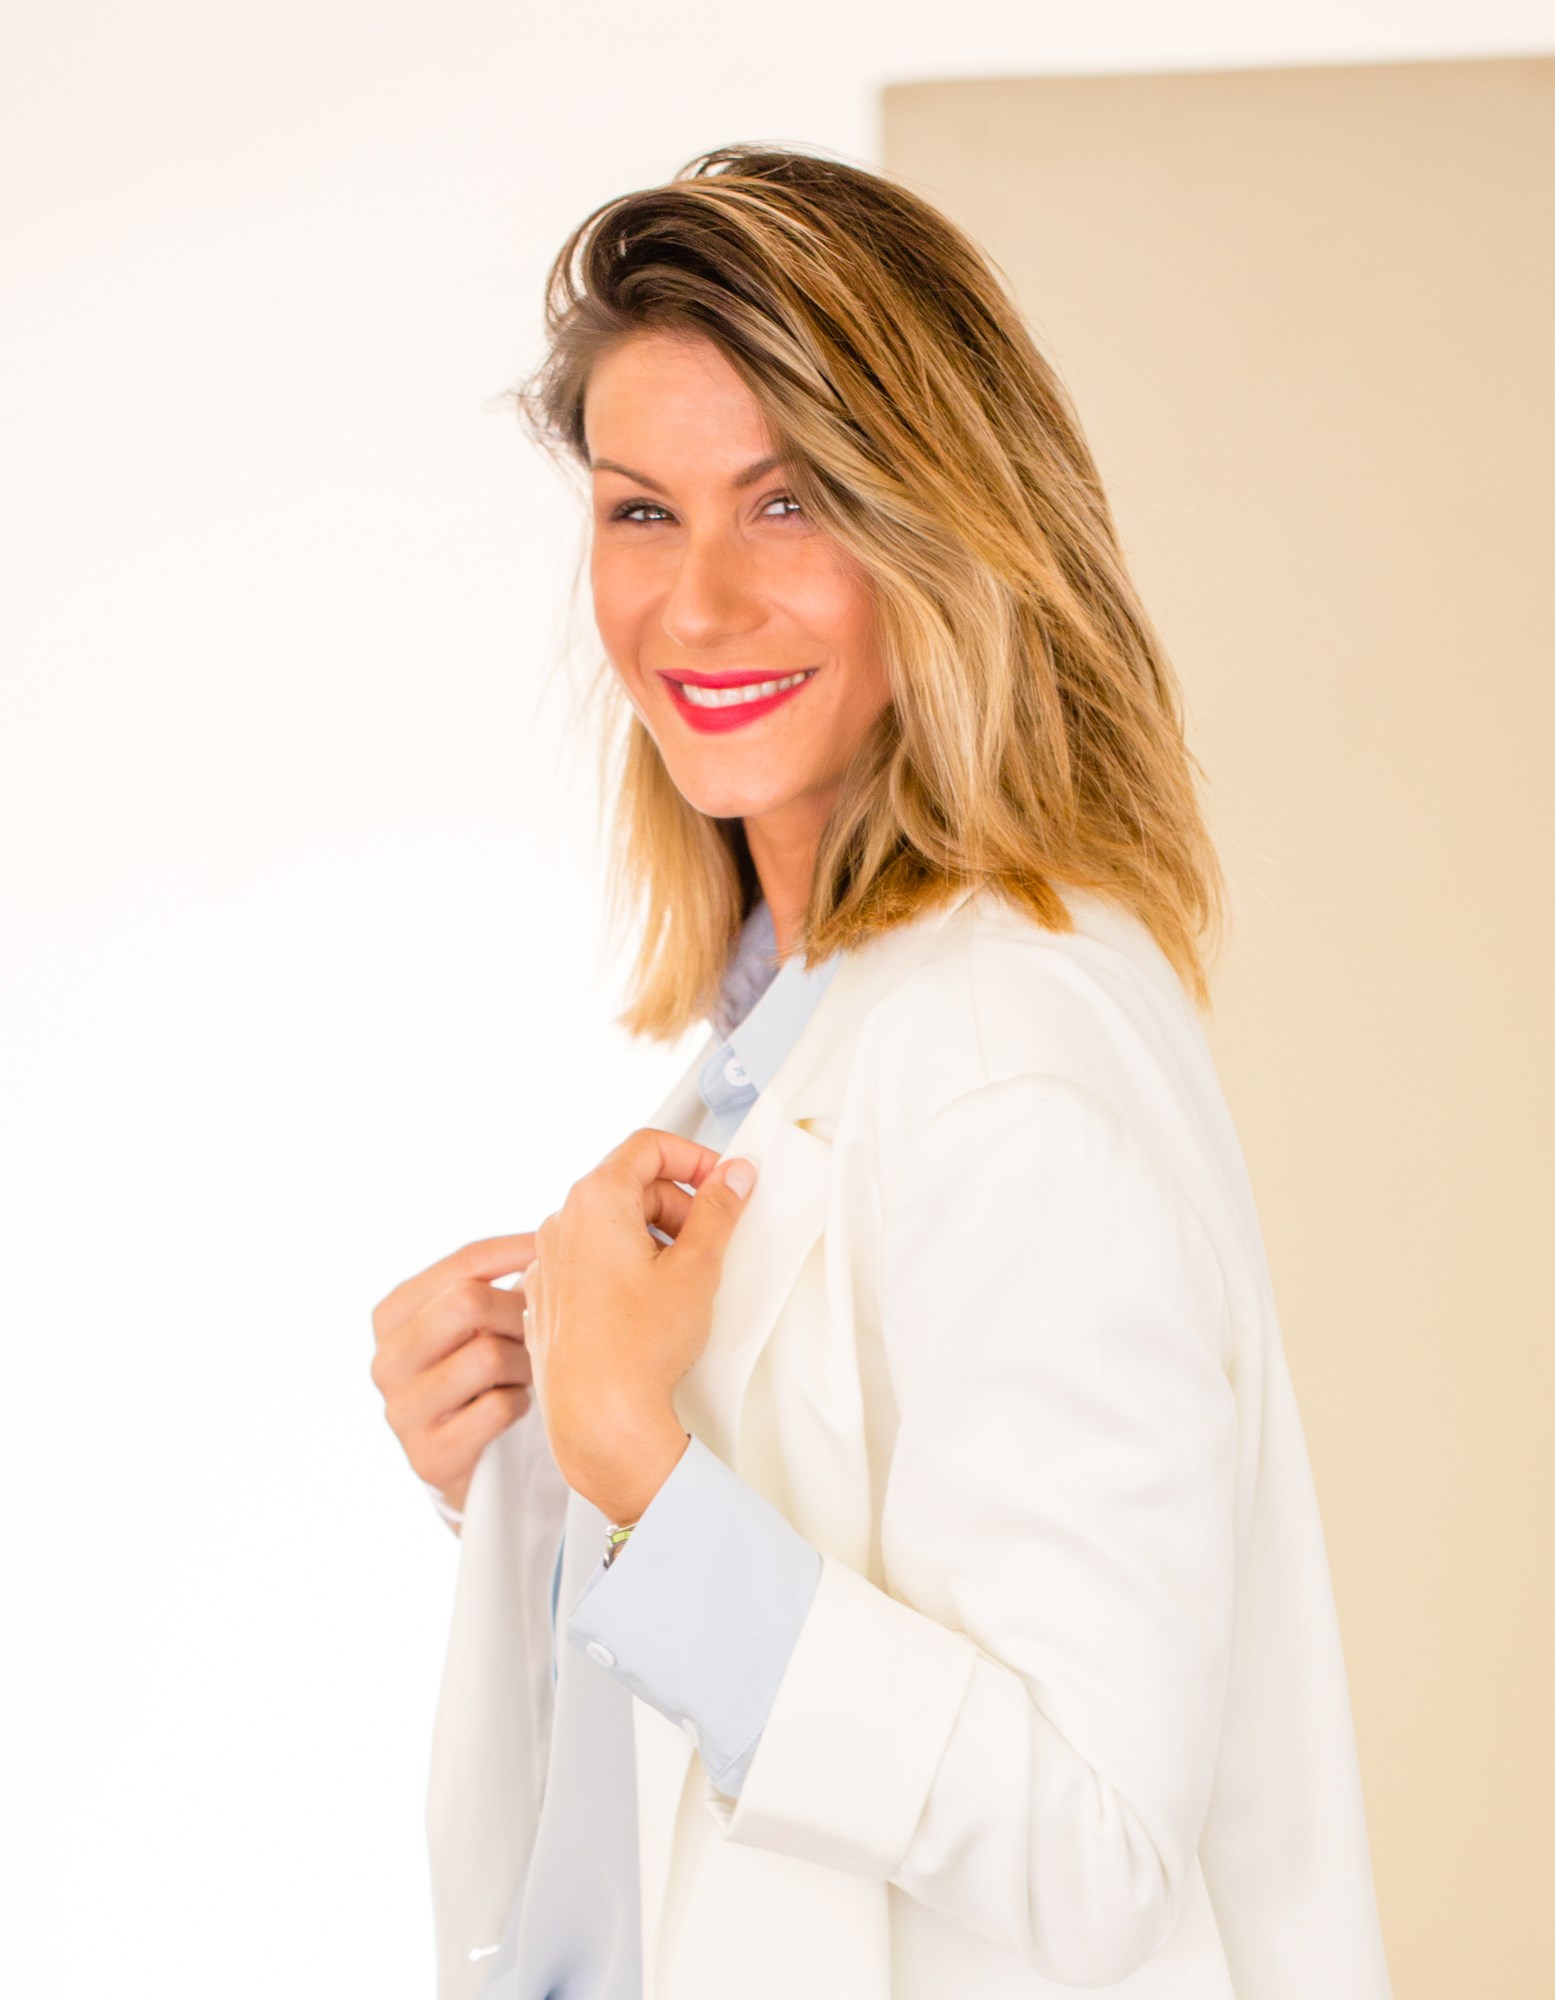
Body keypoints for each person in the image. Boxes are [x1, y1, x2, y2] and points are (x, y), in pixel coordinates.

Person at [369, 144, 1394, 2000]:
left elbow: (1095, 1846)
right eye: (640, 511)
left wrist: (631, 1463)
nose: (694, 607)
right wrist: (525, 1466)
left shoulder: (1009, 1063)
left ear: (946, 529)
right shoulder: (786, 1034)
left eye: (788, 504)